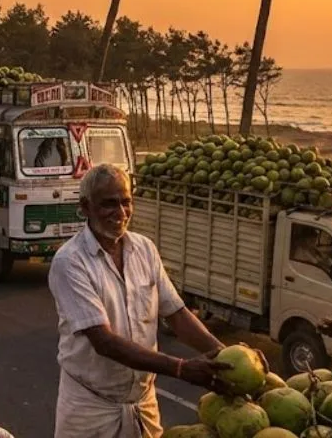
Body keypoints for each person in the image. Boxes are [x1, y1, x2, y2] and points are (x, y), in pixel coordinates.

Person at [48, 164, 241, 438]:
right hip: (90, 407)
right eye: (109, 204)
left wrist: (229, 358)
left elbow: (176, 314)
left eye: (126, 202)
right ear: (85, 207)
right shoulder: (70, 262)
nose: (120, 212)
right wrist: (180, 368)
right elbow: (103, 341)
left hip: (142, 403)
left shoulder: (144, 249)